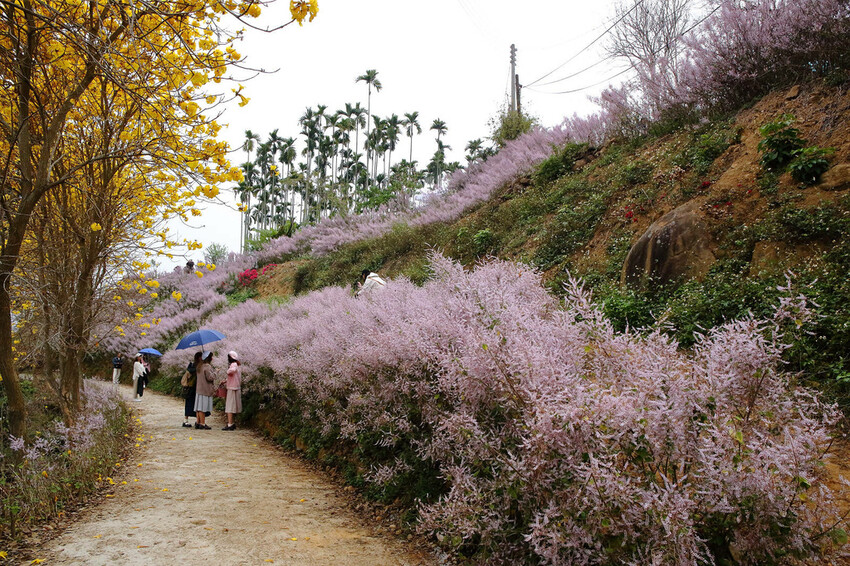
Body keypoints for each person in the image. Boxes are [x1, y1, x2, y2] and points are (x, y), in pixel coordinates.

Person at [193, 351, 216, 430]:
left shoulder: (200, 366)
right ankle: (202, 423)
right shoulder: (207, 366)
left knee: (199, 407)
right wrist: (216, 372)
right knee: (202, 407)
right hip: (205, 389)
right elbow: (210, 378)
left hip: (199, 389)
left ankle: (198, 422)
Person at [222, 351, 242, 431]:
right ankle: (232, 423)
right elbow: (234, 376)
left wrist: (228, 371)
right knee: (233, 406)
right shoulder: (238, 364)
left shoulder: (234, 365)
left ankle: (230, 424)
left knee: (230, 406)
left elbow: (232, 371)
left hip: (232, 388)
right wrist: (226, 380)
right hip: (236, 387)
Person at [182, 352, 202, 428]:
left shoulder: (192, 366)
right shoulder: (196, 367)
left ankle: (188, 420)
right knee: (193, 404)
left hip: (193, 388)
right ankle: (193, 421)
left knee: (192, 404)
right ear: (199, 358)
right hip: (193, 388)